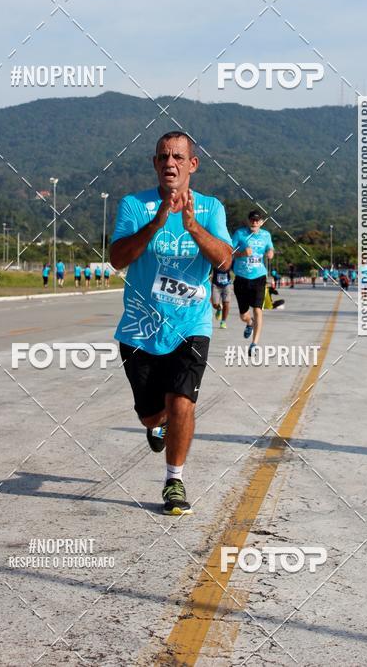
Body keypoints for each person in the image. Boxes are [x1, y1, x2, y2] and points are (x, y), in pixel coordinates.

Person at [110, 132, 232, 516]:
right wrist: (158, 221)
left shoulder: (211, 209)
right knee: (151, 413)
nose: (170, 163)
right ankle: (156, 424)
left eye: (178, 157)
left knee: (182, 400)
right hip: (140, 329)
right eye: (163, 156)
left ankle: (174, 481)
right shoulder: (134, 205)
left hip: (192, 325)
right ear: (155, 163)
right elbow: (117, 258)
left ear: (192, 164)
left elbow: (225, 260)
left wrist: (194, 229)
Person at [231, 210, 274, 355]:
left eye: (257, 220)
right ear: (248, 221)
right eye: (252, 220)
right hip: (241, 278)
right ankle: (249, 323)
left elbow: (270, 248)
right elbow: (229, 251)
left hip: (259, 277)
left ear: (261, 222)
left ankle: (254, 343)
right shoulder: (240, 234)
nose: (254, 222)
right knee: (244, 315)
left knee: (257, 310)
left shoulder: (266, 235)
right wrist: (242, 254)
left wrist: (270, 253)